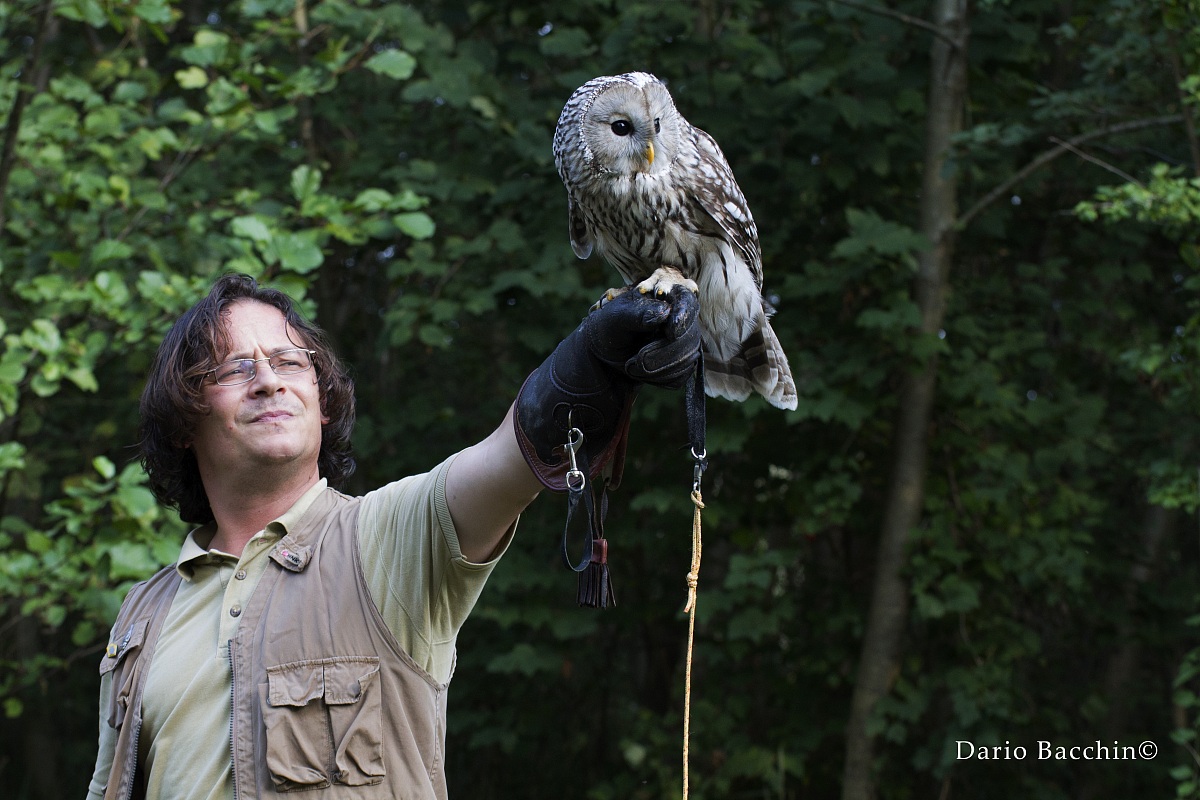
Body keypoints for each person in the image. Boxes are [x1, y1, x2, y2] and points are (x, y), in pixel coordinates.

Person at [85, 272, 700, 800]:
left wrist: (592, 358)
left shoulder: (385, 540)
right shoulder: (143, 615)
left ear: (322, 403)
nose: (269, 381)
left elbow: (510, 457)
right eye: (234, 368)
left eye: (290, 361)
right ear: (182, 421)